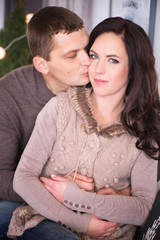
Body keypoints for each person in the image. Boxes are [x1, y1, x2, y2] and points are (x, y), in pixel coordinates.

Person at [9, 16, 160, 239]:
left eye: (113, 60)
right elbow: (23, 179)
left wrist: (77, 197)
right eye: (94, 56)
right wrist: (81, 222)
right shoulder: (60, 107)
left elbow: (143, 209)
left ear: (134, 68)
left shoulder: (146, 127)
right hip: (45, 224)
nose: (98, 69)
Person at [0, 6, 119, 240]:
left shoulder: (102, 82)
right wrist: (60, 189)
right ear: (42, 64)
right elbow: (0, 174)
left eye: (87, 48)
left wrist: (119, 189)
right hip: (19, 199)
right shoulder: (10, 92)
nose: (88, 61)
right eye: (72, 55)